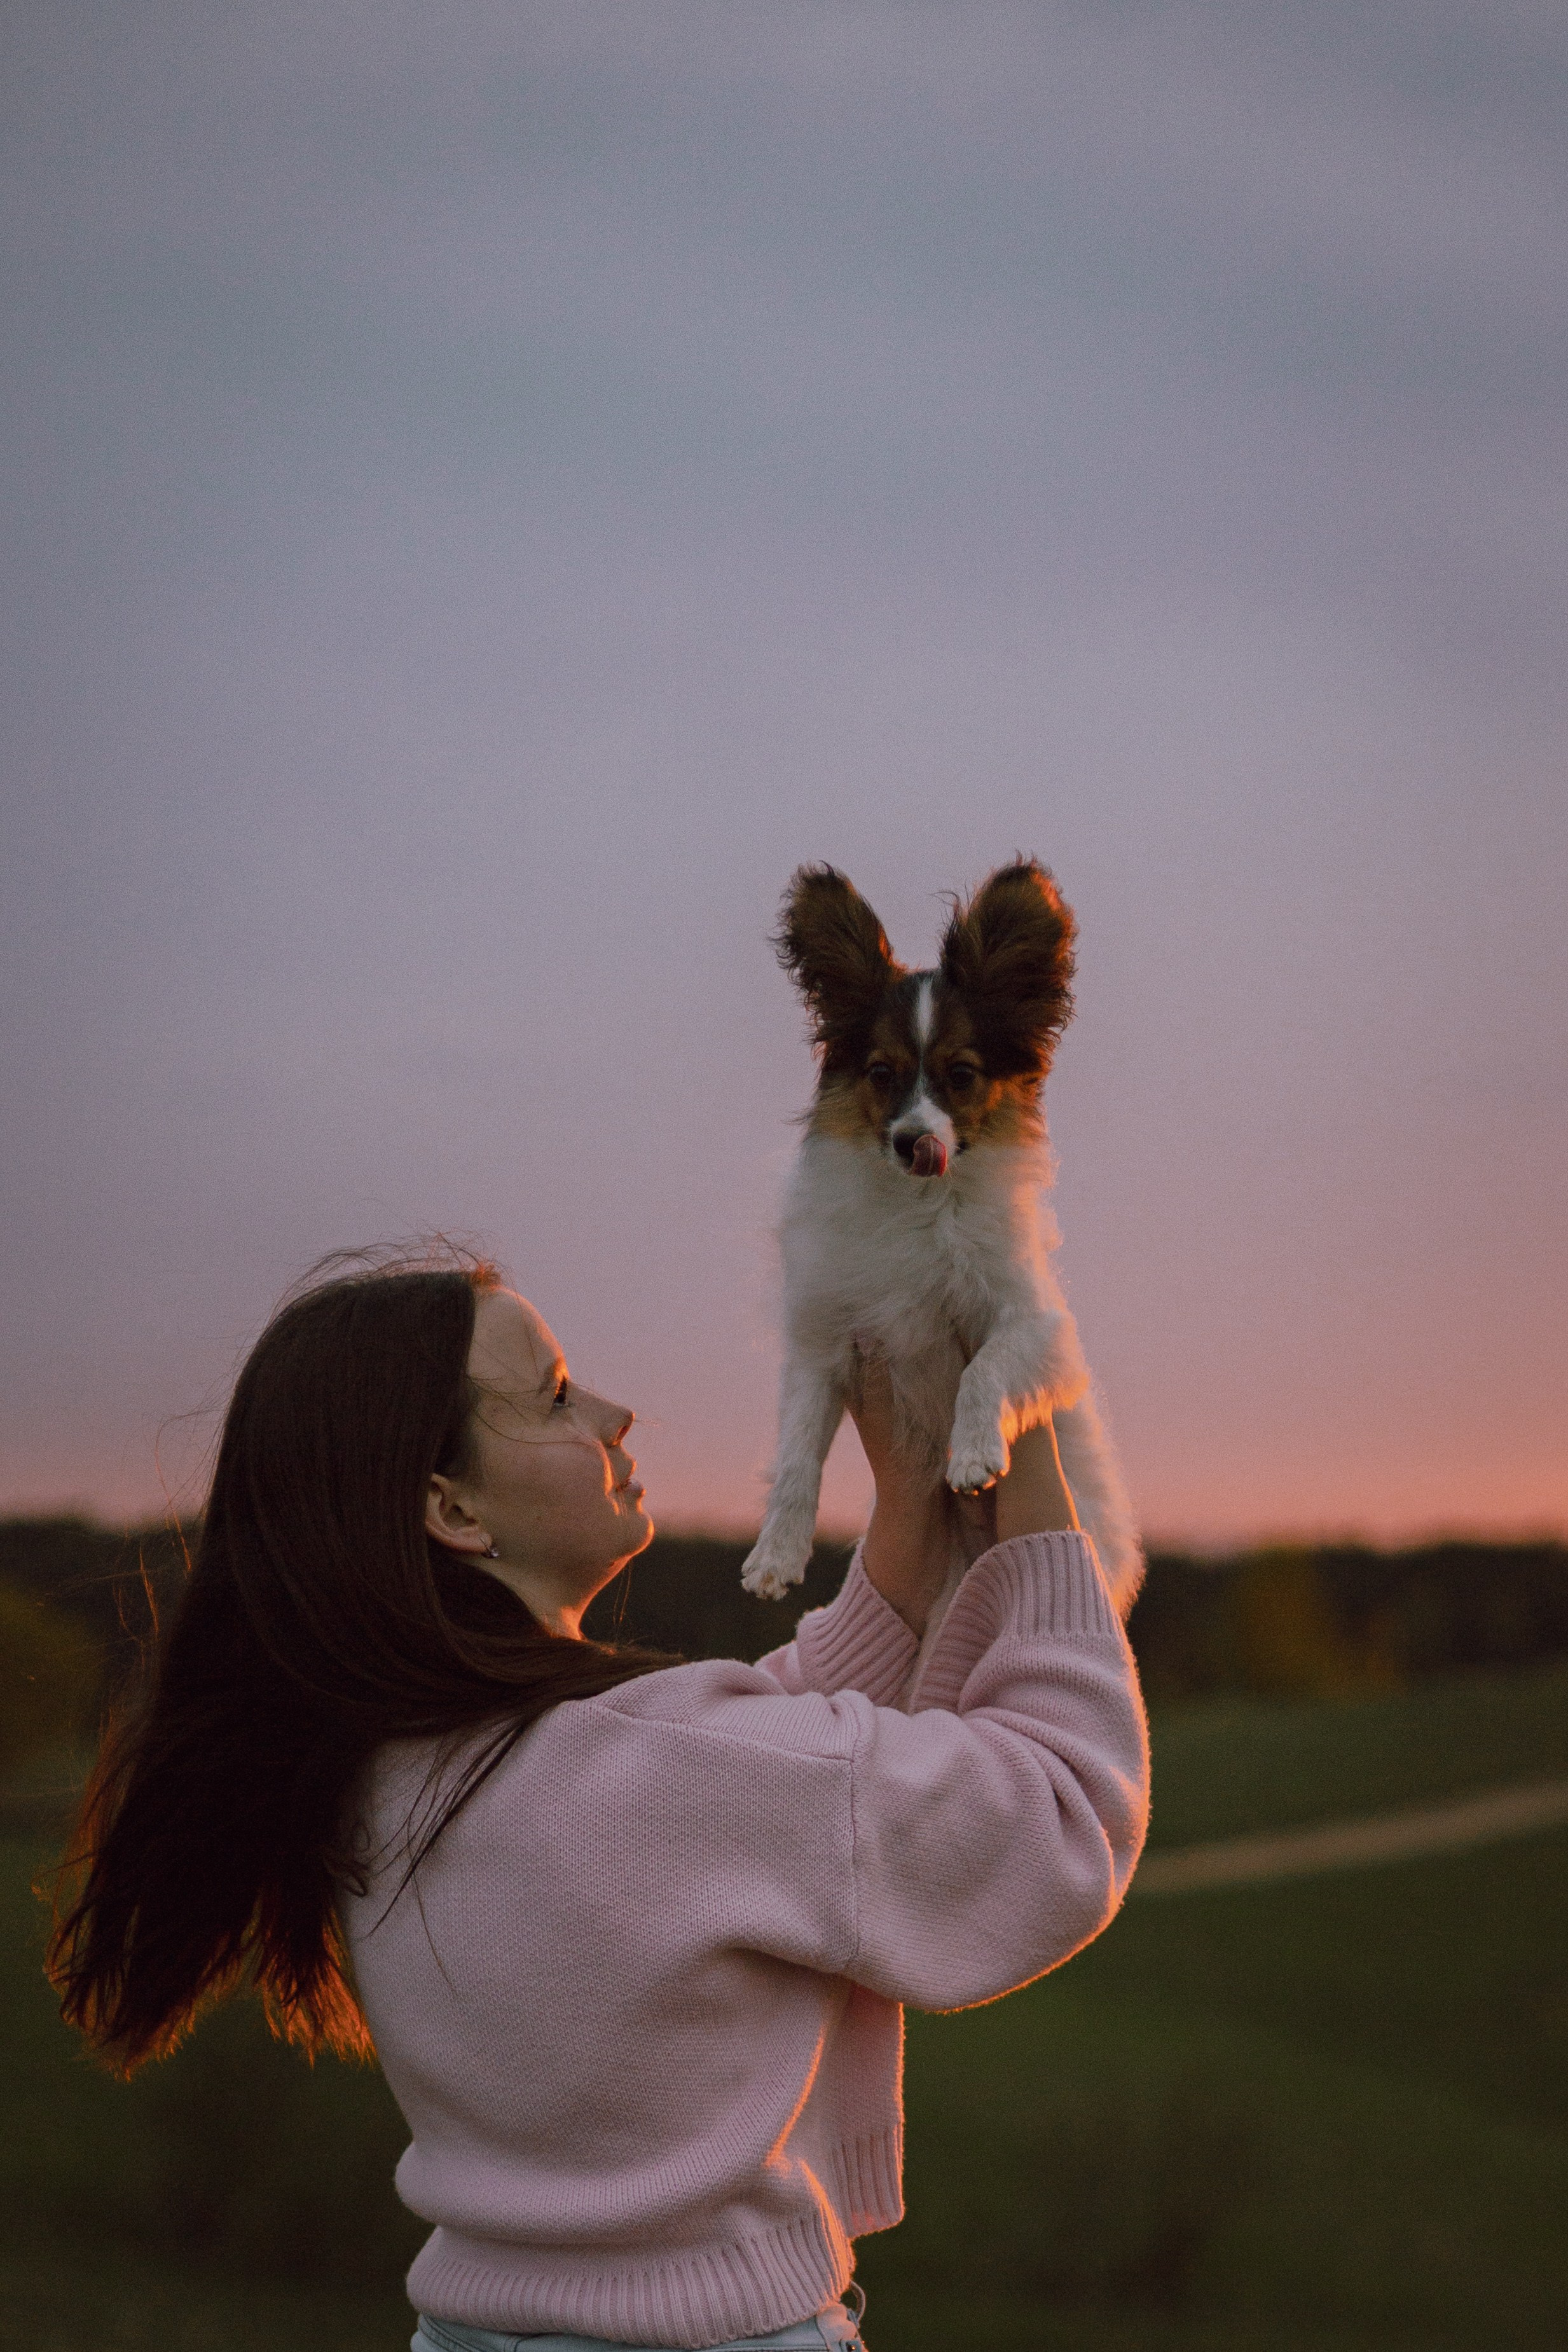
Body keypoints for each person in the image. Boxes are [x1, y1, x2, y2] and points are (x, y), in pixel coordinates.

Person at [50, 1249, 1149, 2352]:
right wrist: (1043, 1496)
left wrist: (911, 1519)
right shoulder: (658, 1767)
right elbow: (1060, 1816)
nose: (618, 1417)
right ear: (452, 1506)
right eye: (558, 1395)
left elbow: (747, 1783)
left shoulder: (378, 1762)